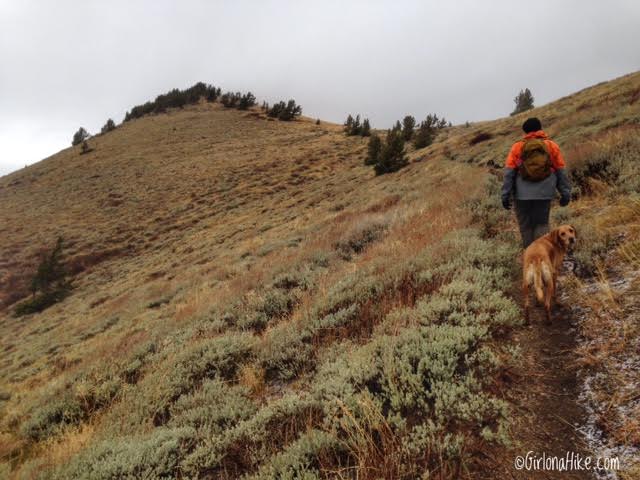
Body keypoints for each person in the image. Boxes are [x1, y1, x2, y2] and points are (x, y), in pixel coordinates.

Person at [501, 117, 571, 248]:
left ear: (525, 131)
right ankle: (542, 255)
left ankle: (530, 255)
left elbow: (509, 173)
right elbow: (561, 171)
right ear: (540, 129)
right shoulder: (551, 146)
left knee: (525, 225)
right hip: (545, 192)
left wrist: (505, 195)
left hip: (521, 195)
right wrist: (565, 192)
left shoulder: (517, 147)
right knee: (542, 224)